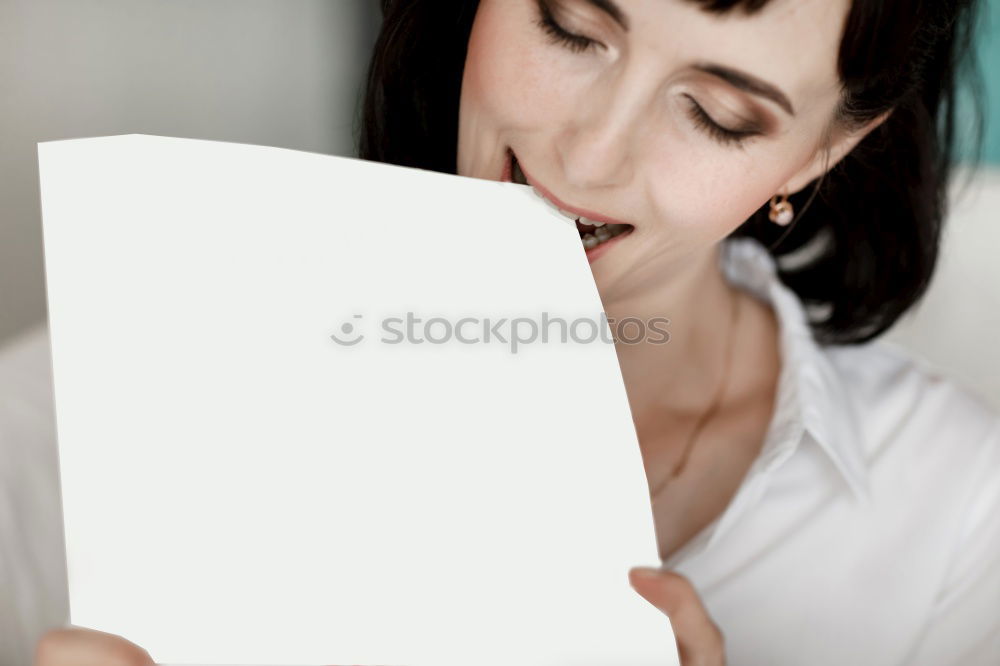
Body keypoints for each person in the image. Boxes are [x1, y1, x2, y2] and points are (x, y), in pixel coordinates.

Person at [33, 0, 1000, 664]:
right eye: (569, 25)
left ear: (823, 149)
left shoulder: (957, 517)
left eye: (717, 114)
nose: (588, 152)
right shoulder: (68, 411)